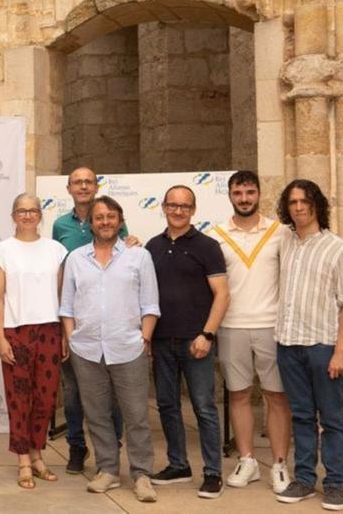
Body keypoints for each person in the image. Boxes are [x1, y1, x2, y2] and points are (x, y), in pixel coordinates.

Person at [59, 196, 160, 503]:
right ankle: (108, 470)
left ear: (120, 220)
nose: (105, 222)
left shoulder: (138, 256)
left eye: (111, 216)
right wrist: (71, 338)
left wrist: (144, 338)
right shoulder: (76, 258)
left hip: (128, 347)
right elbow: (66, 306)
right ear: (91, 223)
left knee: (137, 415)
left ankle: (142, 474)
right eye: (99, 217)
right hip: (87, 349)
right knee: (98, 414)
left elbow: (150, 303)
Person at [273, 180, 343, 511]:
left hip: (323, 346)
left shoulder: (340, 249)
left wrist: (341, 351)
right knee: (301, 417)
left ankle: (336, 483)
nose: (298, 207)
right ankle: (305, 480)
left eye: (305, 201)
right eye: (292, 201)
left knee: (332, 419)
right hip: (288, 344)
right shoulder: (286, 243)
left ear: (316, 204)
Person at [208, 170, 292, 493]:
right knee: (239, 395)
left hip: (272, 325)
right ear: (230, 195)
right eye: (238, 193)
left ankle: (280, 464)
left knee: (276, 396)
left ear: (259, 194)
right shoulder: (216, 235)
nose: (245, 198)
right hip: (231, 326)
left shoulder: (280, 232)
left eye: (250, 192)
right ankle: (247, 460)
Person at [145, 185, 230, 498]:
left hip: (197, 342)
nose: (178, 211)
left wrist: (207, 334)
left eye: (184, 206)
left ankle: (212, 472)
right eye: (172, 205)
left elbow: (222, 294)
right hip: (163, 341)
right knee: (167, 405)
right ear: (164, 207)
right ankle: (178, 464)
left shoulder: (208, 246)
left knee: (204, 408)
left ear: (193, 210)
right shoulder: (152, 246)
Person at [51, 166, 132, 475]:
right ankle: (76, 447)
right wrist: (62, 326)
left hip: (109, 323)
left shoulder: (111, 220)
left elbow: (123, 259)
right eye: (77, 182)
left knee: (110, 393)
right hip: (75, 321)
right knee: (73, 392)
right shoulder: (60, 225)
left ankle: (111, 450)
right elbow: (58, 275)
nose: (83, 186)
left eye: (88, 182)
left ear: (96, 186)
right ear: (69, 188)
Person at [0, 193, 68, 489]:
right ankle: (23, 458)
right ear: (13, 215)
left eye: (32, 210)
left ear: (40, 215)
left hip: (49, 329)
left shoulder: (56, 250)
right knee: (19, 398)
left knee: (45, 399)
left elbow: (62, 297)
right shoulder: (4, 250)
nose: (27, 215)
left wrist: (64, 334)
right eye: (21, 211)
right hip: (15, 331)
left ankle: (38, 455)